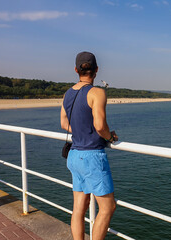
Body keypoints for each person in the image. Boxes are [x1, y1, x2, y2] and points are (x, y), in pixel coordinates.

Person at [60, 51, 118, 240]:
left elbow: (64, 123)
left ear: (76, 70)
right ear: (96, 70)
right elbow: (100, 126)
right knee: (108, 207)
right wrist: (110, 137)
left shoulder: (68, 93)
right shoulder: (97, 93)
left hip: (74, 155)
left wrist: (80, 129)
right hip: (91, 156)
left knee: (79, 208)